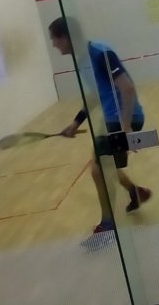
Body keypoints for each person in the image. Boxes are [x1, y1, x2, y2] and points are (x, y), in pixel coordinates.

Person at [49, 17, 152, 235]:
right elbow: (97, 95)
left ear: (66, 37)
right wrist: (76, 122)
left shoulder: (99, 54)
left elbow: (127, 87)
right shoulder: (84, 59)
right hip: (112, 119)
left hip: (122, 119)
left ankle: (108, 223)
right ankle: (135, 191)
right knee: (105, 165)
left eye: (55, 39)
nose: (54, 44)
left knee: (98, 170)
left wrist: (125, 128)